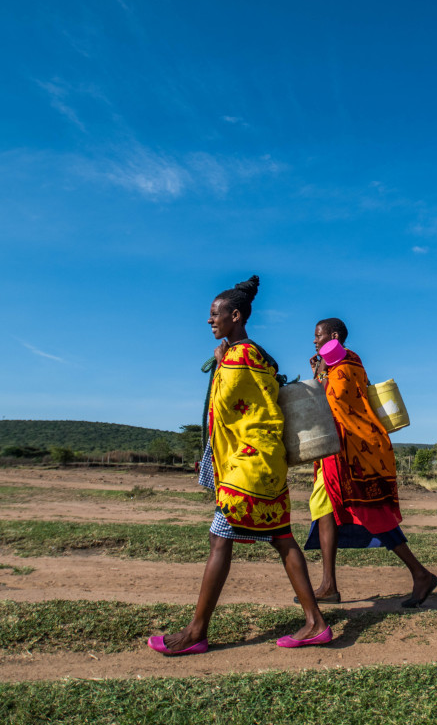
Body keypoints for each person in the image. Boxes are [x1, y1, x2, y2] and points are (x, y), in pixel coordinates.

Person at [148, 276, 330, 655]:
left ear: (235, 315)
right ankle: (316, 622)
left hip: (249, 463)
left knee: (223, 538)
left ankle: (196, 632)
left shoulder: (239, 357)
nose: (210, 321)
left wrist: (221, 362)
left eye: (215, 314)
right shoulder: (253, 355)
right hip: (261, 460)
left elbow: (227, 403)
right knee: (280, 536)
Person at [304, 318, 437, 606]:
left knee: (371, 513)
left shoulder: (344, 367)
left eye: (318, 336)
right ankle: (328, 585)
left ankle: (420, 573)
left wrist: (320, 377)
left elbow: (332, 402)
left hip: (353, 454)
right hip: (337, 453)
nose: (314, 341)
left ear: (333, 336)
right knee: (323, 507)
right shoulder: (341, 366)